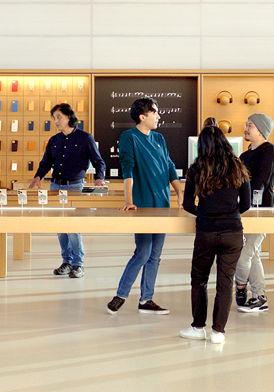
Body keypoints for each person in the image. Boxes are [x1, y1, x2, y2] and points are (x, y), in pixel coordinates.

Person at [107, 97, 182, 316]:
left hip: (163, 204)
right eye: (155, 112)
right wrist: (128, 201)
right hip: (142, 205)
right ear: (143, 116)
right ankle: (120, 295)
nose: (158, 116)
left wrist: (180, 192)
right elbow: (127, 169)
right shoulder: (129, 137)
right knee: (143, 252)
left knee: (155, 255)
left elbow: (169, 166)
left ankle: (146, 300)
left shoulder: (159, 138)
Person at [180, 124, 252, 344]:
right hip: (232, 233)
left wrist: (205, 212)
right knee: (225, 282)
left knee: (199, 280)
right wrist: (229, 213)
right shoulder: (238, 167)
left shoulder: (196, 168)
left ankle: (198, 327)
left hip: (206, 232)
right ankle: (218, 332)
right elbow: (246, 204)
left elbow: (187, 205)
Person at [30, 103, 106, 279]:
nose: (55, 121)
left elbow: (98, 161)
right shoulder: (54, 140)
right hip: (56, 187)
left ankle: (78, 264)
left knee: (73, 227)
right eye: (54, 117)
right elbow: (46, 162)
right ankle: (67, 261)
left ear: (69, 117)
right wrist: (37, 177)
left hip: (74, 187)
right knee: (60, 227)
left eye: (58, 117)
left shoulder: (85, 138)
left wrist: (99, 178)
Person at [235, 113, 274, 313]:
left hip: (261, 211)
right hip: (245, 210)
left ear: (261, 130)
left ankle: (241, 286)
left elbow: (260, 181)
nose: (246, 128)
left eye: (249, 125)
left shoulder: (269, 151)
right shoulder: (244, 155)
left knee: (245, 254)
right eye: (246, 124)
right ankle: (259, 296)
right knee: (254, 254)